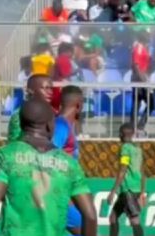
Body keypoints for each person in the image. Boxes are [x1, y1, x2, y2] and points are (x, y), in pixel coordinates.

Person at [0, 98, 97, 236]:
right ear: (50, 125)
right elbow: (90, 216)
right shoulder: (69, 163)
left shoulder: (6, 155)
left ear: (20, 124)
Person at [52, 85, 85, 235]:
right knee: (87, 230)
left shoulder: (67, 126)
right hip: (59, 198)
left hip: (66, 195)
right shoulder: (60, 126)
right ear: (78, 105)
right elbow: (49, 158)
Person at [107, 123, 147, 236]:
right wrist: (142, 192)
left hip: (128, 190)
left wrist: (113, 191)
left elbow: (122, 171)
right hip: (134, 189)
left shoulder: (125, 148)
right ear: (133, 134)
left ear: (120, 134)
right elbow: (143, 172)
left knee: (134, 220)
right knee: (113, 217)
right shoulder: (138, 149)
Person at [8, 73, 54, 142]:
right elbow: (13, 144)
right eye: (46, 88)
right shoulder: (19, 114)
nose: (50, 92)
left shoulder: (50, 112)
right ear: (30, 90)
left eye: (51, 88)